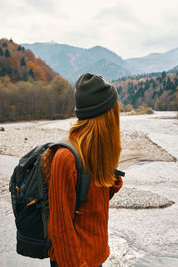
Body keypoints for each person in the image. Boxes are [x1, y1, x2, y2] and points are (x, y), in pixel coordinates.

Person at [43, 73, 123, 267]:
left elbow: (90, 205)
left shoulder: (96, 151)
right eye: (114, 110)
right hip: (74, 261)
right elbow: (60, 228)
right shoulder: (66, 158)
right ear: (104, 115)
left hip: (96, 256)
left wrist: (111, 183)